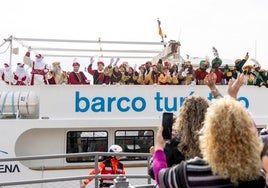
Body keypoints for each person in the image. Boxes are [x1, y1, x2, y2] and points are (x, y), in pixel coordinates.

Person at [153, 79, 265, 187]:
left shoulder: (191, 173)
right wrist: (232, 100)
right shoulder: (258, 174)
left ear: (210, 133)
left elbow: (160, 176)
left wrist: (159, 147)